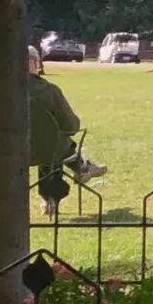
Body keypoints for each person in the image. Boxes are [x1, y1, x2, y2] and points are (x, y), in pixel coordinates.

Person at [27, 46, 107, 195]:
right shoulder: (49, 91)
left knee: (46, 139)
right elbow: (71, 126)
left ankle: (82, 168)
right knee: (53, 140)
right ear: (34, 63)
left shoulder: (0, 91)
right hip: (48, 151)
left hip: (8, 151)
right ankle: (54, 195)